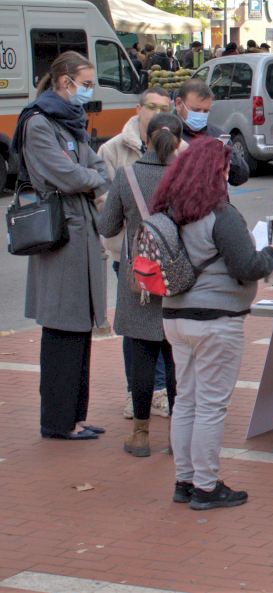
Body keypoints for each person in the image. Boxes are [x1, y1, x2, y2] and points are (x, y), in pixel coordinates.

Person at [156, 137, 273, 509]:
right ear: (217, 172)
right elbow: (248, 266)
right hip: (215, 321)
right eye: (226, 169)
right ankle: (206, 486)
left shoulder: (170, 210)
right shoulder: (221, 215)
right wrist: (270, 253)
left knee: (186, 401)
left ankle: (184, 480)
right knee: (211, 405)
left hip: (175, 316)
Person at [15, 51, 110, 441]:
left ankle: (76, 416)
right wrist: (89, 177)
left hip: (79, 232)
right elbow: (68, 175)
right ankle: (58, 421)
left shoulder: (69, 121)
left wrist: (88, 176)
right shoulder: (39, 123)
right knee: (62, 330)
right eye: (85, 84)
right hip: (61, 235)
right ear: (64, 81)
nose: (88, 91)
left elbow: (97, 167)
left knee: (79, 330)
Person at [96, 113, 186, 457]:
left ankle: (140, 434)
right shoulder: (185, 176)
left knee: (142, 357)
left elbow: (107, 227)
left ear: (145, 139)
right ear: (177, 140)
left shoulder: (127, 175)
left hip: (140, 280)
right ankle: (178, 437)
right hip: (178, 279)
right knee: (177, 359)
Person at [175, 79, 249, 186]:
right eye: (196, 110)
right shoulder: (169, 135)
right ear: (179, 104)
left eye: (206, 111)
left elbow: (241, 176)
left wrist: (226, 155)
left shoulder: (217, 135)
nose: (201, 115)